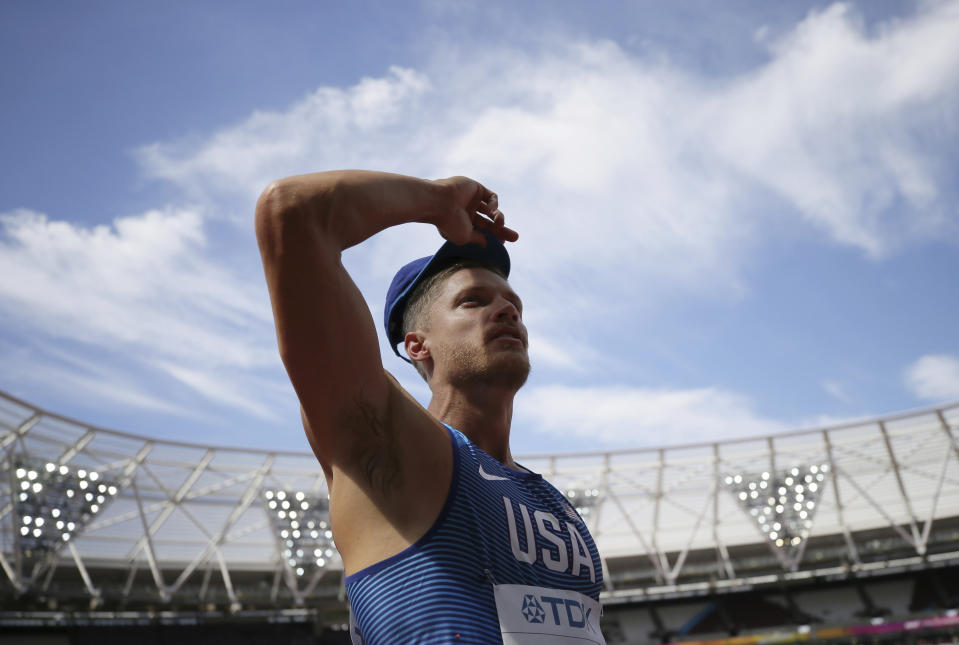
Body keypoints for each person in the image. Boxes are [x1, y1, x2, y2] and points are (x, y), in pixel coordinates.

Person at [255, 170, 604, 644]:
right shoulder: (390, 444)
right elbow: (293, 212)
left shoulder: (555, 505)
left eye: (513, 304)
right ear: (417, 345)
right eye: (473, 301)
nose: (507, 311)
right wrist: (434, 200)